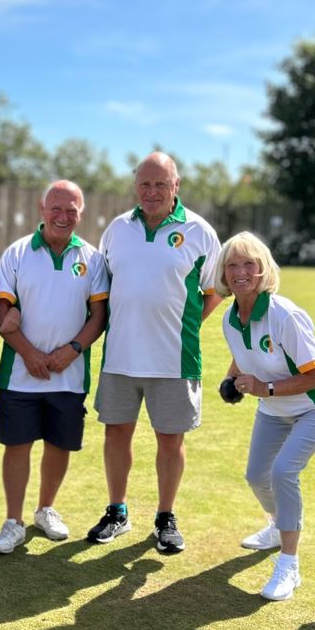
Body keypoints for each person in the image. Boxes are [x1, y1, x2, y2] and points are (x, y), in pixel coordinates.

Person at [88, 152, 222, 552]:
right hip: (121, 357)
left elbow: (214, 291)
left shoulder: (199, 231)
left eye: (160, 184)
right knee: (116, 434)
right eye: (145, 184)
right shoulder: (117, 230)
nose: (152, 192)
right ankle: (117, 512)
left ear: (176, 186)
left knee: (170, 442)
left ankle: (165, 517)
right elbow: (103, 287)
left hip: (174, 359)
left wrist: (189, 325)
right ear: (135, 186)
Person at [216, 232, 315, 600]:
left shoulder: (284, 315)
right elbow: (243, 351)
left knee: (283, 472)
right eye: (232, 265)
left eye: (249, 264)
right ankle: (277, 526)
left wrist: (265, 389)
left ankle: (289, 564)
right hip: (274, 408)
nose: (240, 271)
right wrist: (231, 378)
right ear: (224, 274)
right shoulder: (229, 318)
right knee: (256, 475)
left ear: (263, 270)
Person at [0, 180, 109, 554]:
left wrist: (72, 350)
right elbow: (1, 311)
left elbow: (99, 315)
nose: (63, 216)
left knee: (60, 445)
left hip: (69, 375)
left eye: (71, 210)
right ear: (43, 209)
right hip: (20, 375)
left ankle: (45, 510)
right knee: (17, 445)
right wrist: (29, 353)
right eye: (56, 208)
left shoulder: (93, 258)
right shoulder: (17, 253)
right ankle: (12, 521)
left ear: (81, 213)